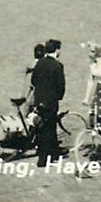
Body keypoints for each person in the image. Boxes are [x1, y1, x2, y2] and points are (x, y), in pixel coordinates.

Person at [31, 39, 65, 167]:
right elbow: (60, 86)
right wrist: (58, 97)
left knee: (44, 127)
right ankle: (44, 158)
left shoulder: (40, 63)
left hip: (39, 99)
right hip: (51, 101)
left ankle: (53, 152)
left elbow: (34, 80)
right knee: (49, 127)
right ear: (56, 50)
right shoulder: (57, 66)